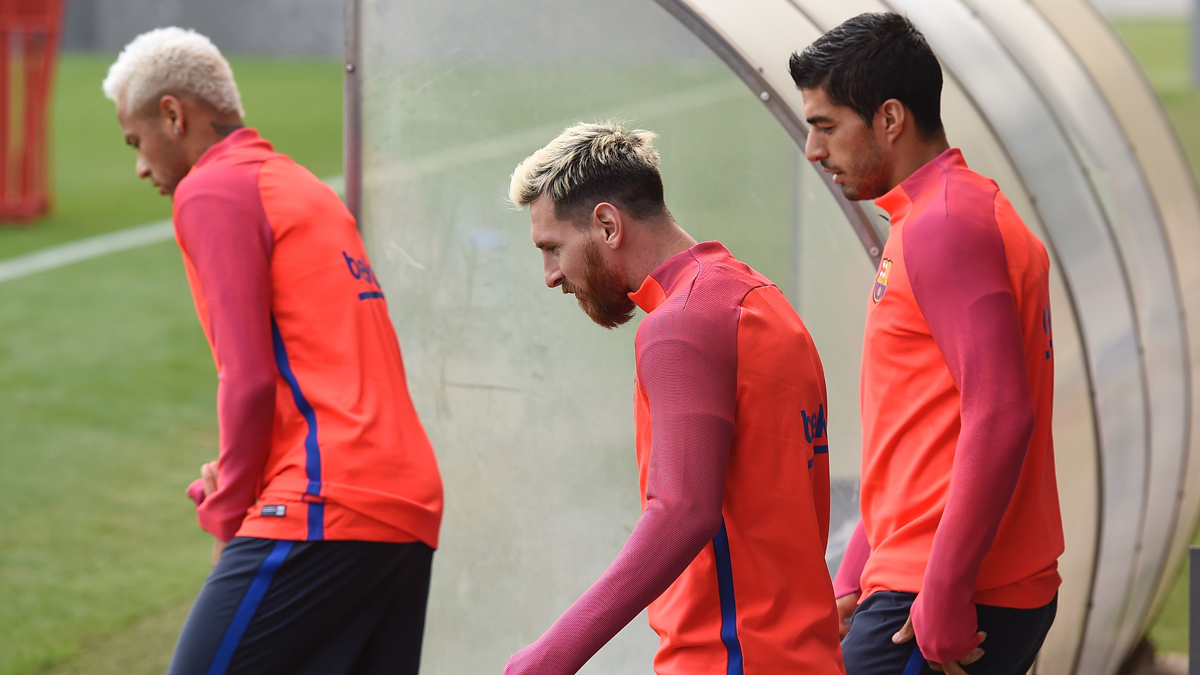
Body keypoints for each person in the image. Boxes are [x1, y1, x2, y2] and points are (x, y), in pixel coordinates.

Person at [103, 27, 443, 675]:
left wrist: (229, 512)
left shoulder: (212, 188)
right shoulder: (301, 185)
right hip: (407, 502)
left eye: (135, 141)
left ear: (172, 115)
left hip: (327, 496)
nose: (141, 166)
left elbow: (248, 376)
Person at [503, 120, 845, 675]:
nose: (550, 275)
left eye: (553, 248)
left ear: (608, 224)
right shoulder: (760, 300)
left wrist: (549, 656)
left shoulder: (681, 324)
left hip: (733, 659)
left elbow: (684, 512)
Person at [789, 12, 1063, 675]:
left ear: (890, 118)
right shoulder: (937, 212)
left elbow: (1002, 413)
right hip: (921, 575)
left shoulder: (944, 224)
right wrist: (858, 565)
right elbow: (923, 424)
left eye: (826, 126)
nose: (813, 150)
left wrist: (942, 591)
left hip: (938, 592)